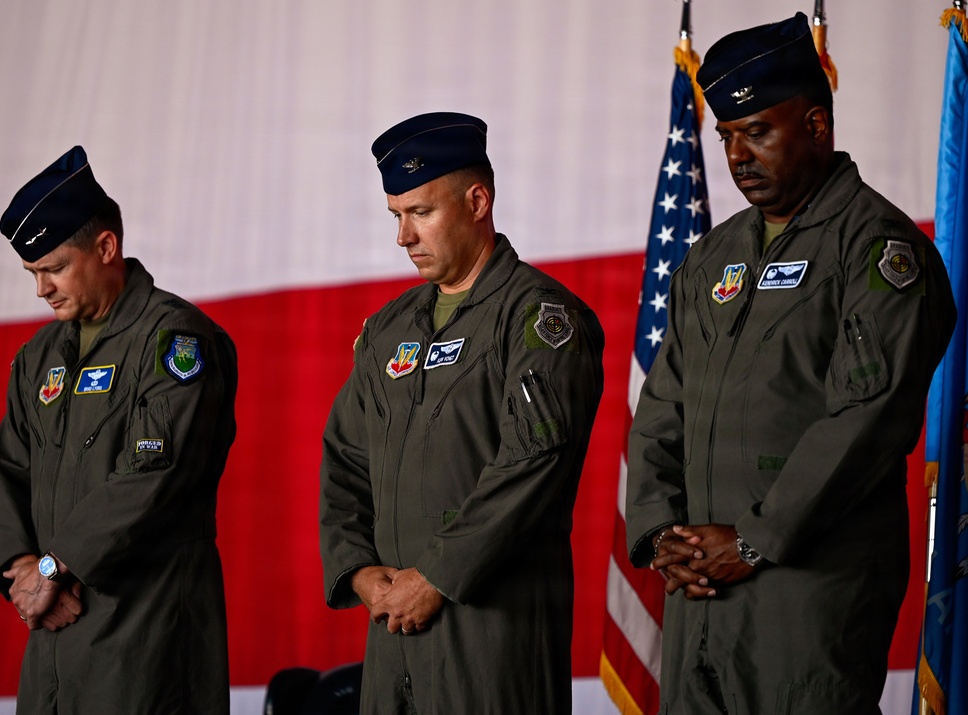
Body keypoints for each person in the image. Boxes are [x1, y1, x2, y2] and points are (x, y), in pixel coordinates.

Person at [625, 13, 957, 715]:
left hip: (807, 592)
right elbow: (660, 410)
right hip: (700, 592)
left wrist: (752, 539)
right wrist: (661, 534)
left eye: (759, 132)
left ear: (815, 124)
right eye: (727, 137)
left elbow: (865, 419)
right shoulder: (710, 258)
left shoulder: (879, 251)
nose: (739, 154)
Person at [319, 112, 605, 714]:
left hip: (493, 635)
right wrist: (361, 572)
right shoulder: (386, 330)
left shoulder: (540, 318)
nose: (404, 236)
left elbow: (534, 465)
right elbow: (346, 457)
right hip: (392, 627)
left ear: (477, 201)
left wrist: (436, 577)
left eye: (421, 212)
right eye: (396, 215)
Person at [0, 146, 238, 714]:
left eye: (54, 268)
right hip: (52, 626)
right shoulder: (38, 356)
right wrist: (20, 571)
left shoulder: (175, 341)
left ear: (106, 248)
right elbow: (9, 466)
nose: (41, 290)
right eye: (32, 273)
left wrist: (52, 568)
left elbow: (155, 472)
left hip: (146, 631)